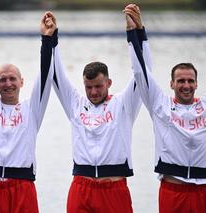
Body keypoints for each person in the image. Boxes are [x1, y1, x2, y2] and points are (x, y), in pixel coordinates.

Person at [125, 4, 206, 213]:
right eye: (181, 81)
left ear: (197, 83)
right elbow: (140, 72)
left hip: (205, 191)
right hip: (173, 192)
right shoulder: (160, 104)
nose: (186, 85)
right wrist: (134, 32)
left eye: (190, 81)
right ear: (171, 84)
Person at [48, 9, 151, 212]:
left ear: (109, 83)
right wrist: (51, 37)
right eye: (88, 87)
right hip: (81, 188)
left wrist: (137, 33)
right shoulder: (76, 104)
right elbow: (56, 75)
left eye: (98, 86)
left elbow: (143, 71)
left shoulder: (124, 104)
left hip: (113, 190)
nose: (93, 92)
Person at [0, 11, 57, 213]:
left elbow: (46, 76)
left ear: (22, 82)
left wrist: (47, 38)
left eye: (12, 79)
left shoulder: (32, 109)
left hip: (22, 186)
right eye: (2, 79)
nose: (8, 83)